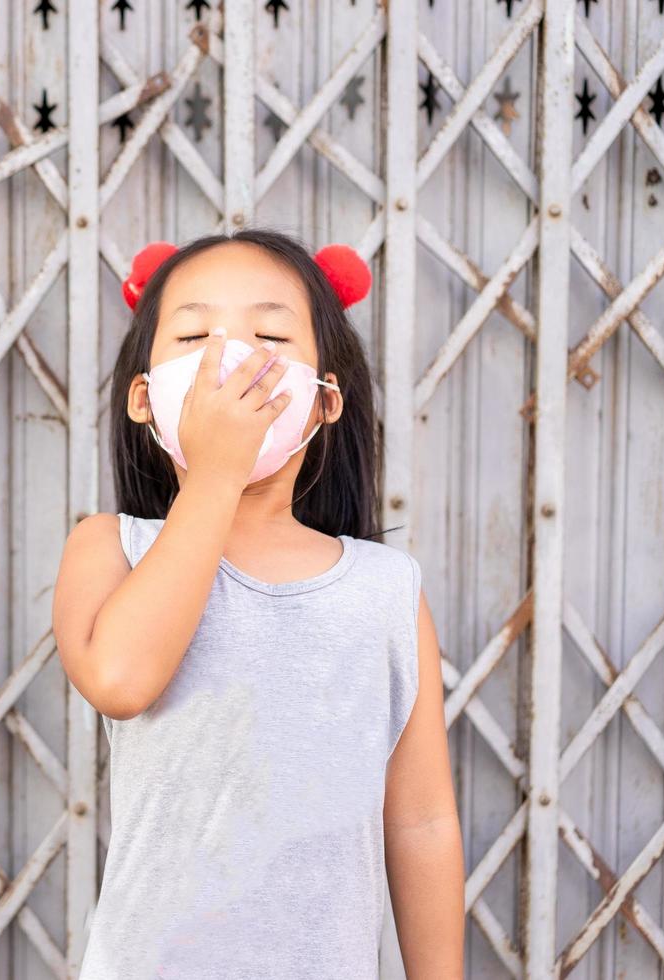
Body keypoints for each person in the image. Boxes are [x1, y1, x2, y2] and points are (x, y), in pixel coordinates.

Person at [53, 228, 464, 978]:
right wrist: (214, 474)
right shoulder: (111, 546)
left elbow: (422, 820)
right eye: (193, 335)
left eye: (269, 334)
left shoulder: (384, 590)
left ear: (324, 401)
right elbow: (120, 679)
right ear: (144, 399)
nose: (229, 360)